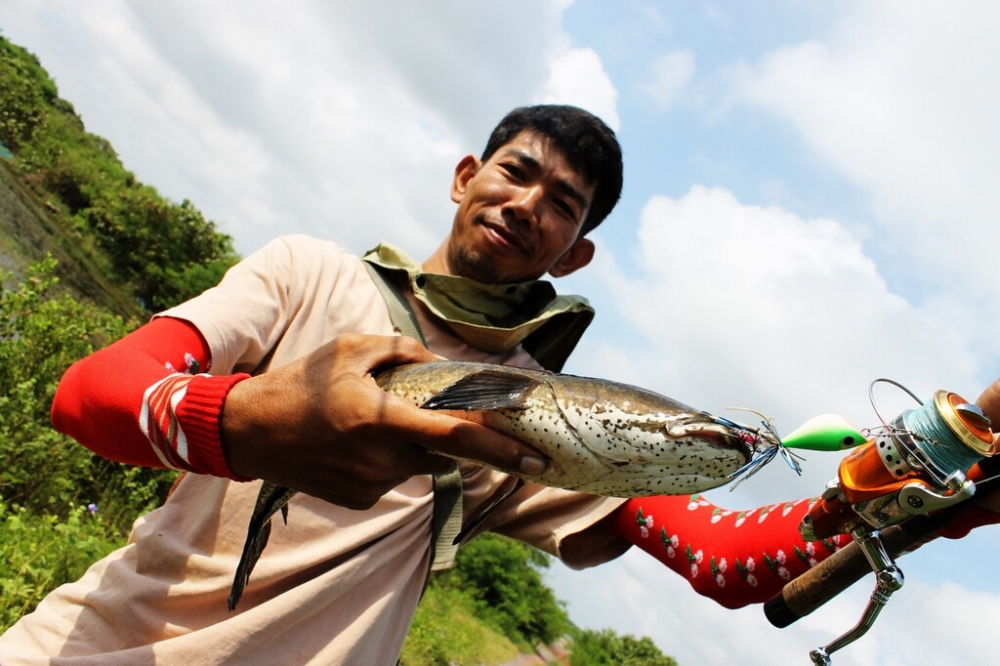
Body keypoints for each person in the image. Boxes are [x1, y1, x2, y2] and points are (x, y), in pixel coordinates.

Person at [1, 104, 997, 665]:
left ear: (579, 252)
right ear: (464, 174)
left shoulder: (552, 421)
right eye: (515, 173)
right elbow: (92, 393)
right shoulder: (309, 274)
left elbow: (726, 565)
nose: (526, 205)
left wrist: (914, 497)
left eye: (560, 204)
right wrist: (247, 416)